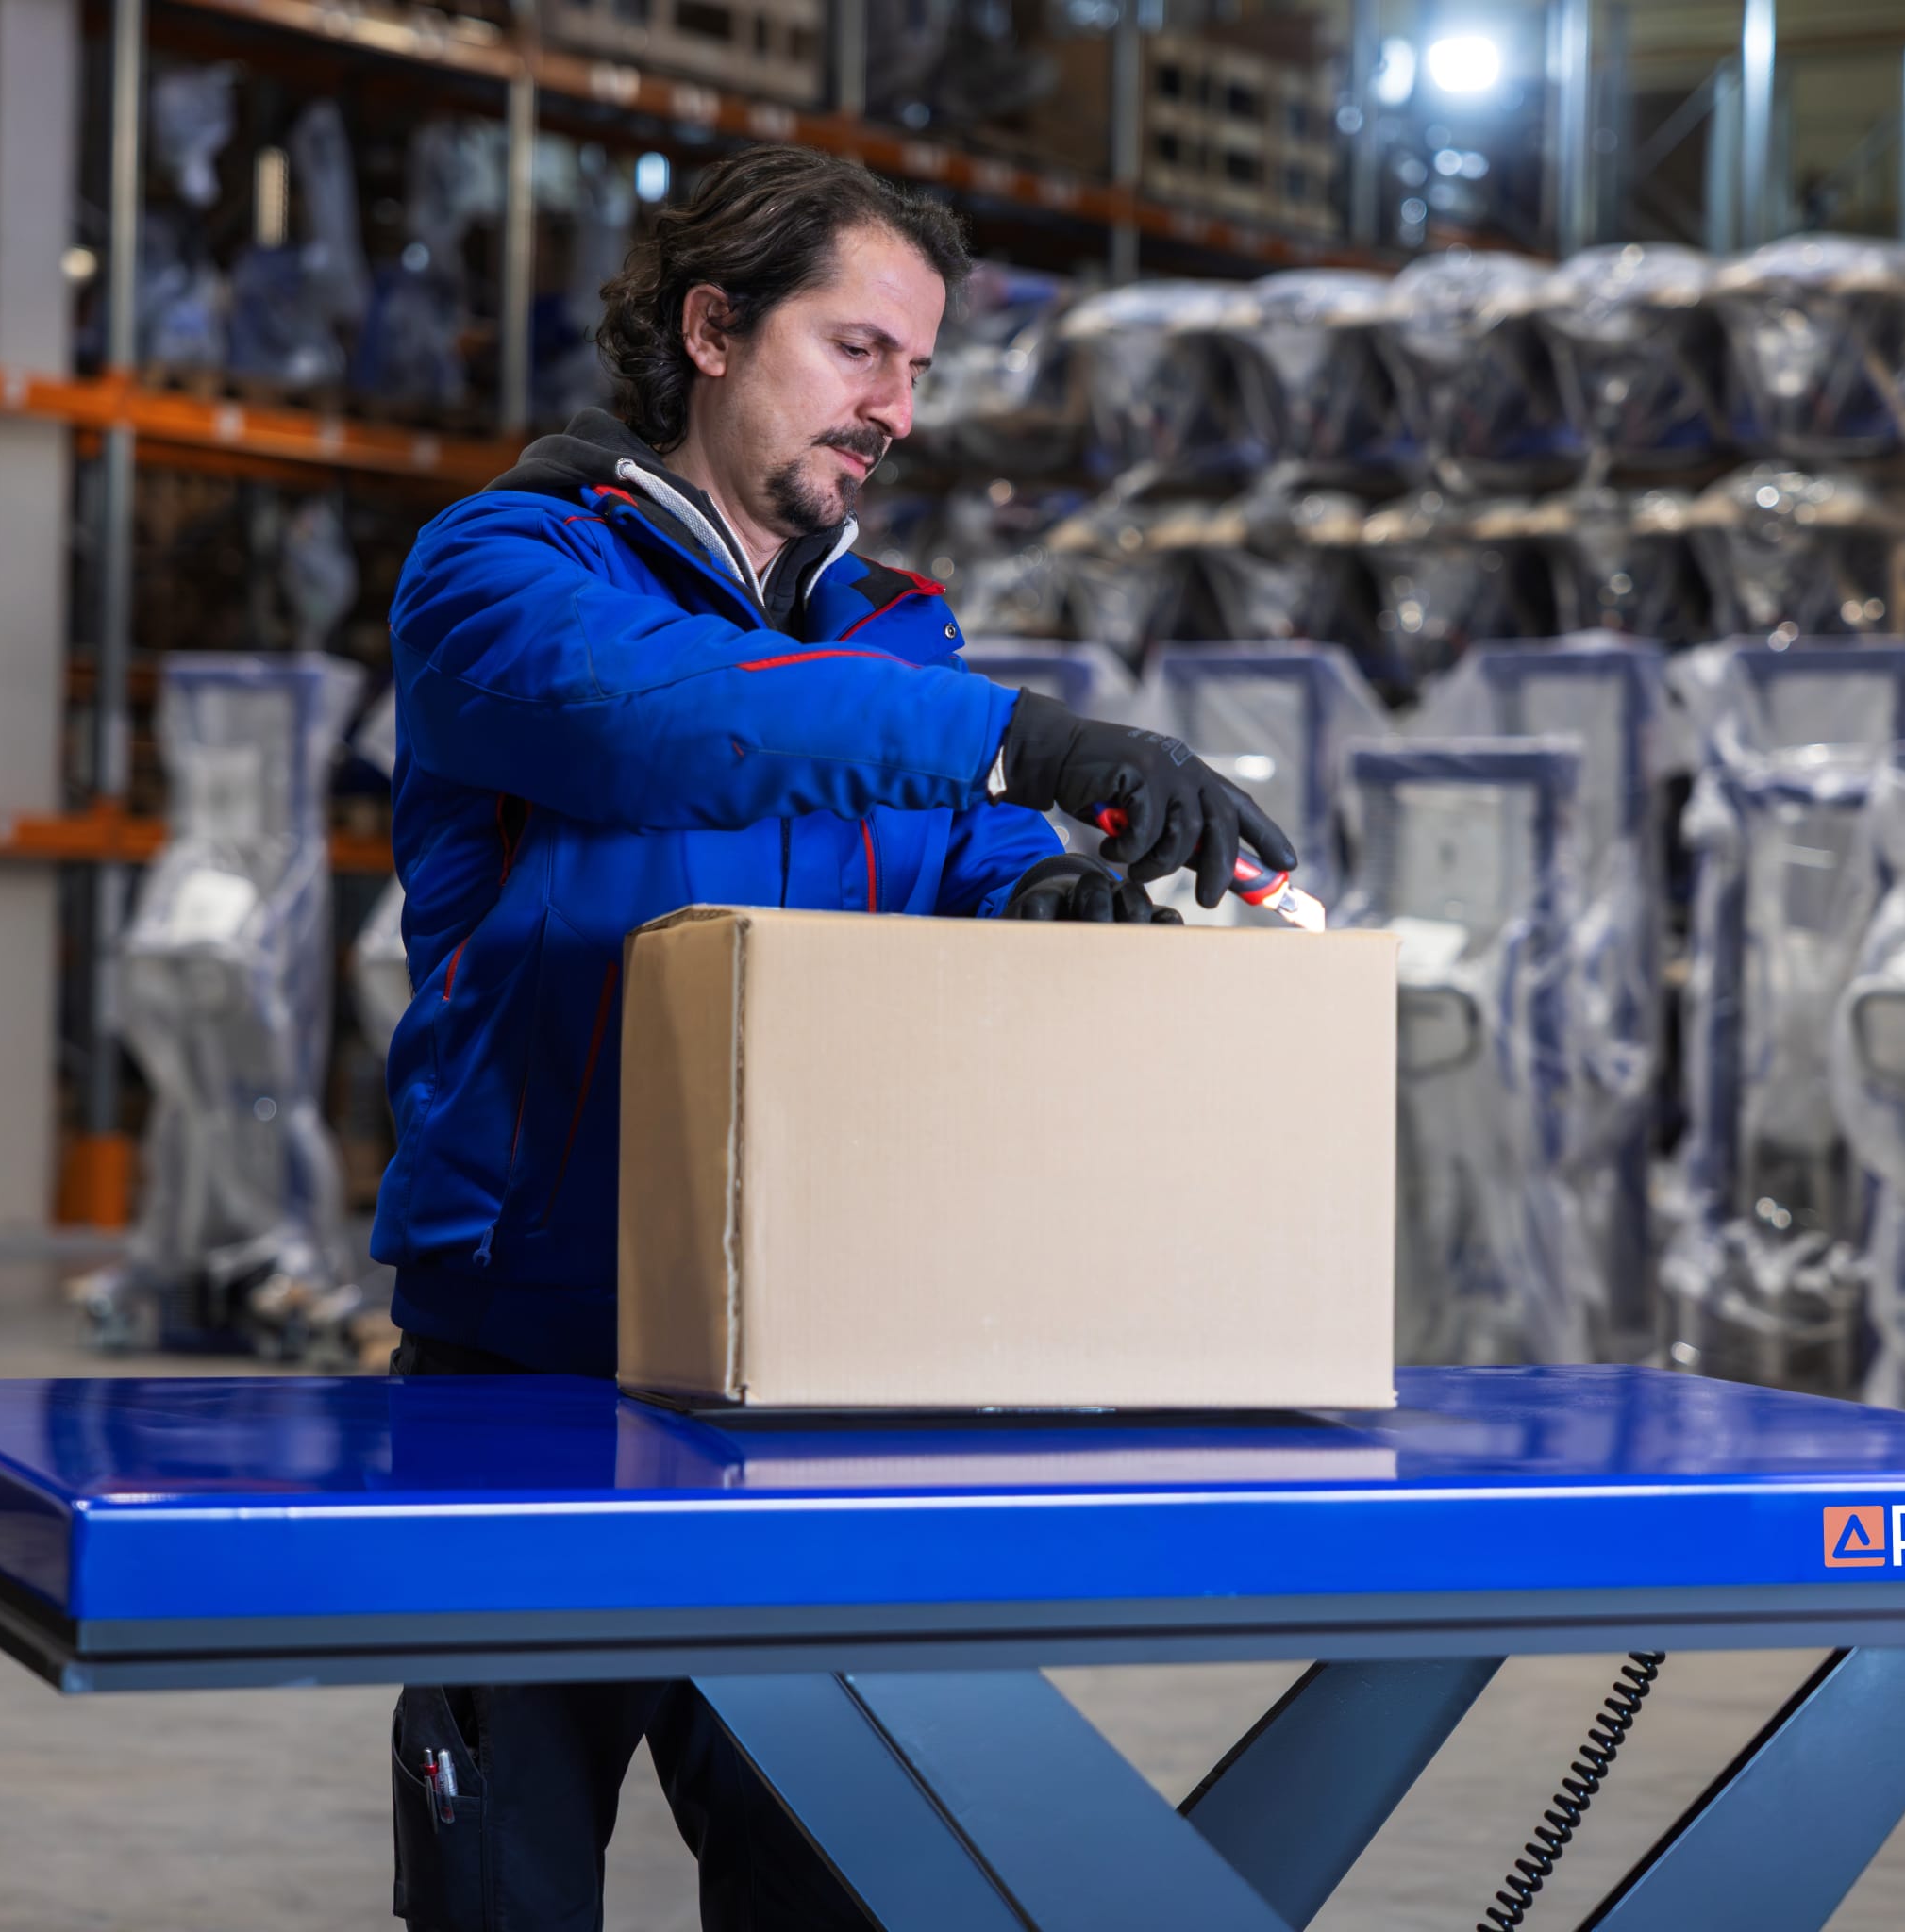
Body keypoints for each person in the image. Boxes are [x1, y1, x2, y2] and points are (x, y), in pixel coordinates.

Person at [376, 142, 1296, 1931]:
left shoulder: (896, 633)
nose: (896, 407)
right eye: (859, 349)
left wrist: (1051, 906)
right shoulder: (503, 574)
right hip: (542, 1355)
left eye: (920, 371)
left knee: (835, 1884)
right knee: (505, 1898)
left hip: (820, 1372)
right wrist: (1023, 738)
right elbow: (667, 730)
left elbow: (966, 860)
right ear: (714, 328)